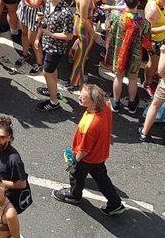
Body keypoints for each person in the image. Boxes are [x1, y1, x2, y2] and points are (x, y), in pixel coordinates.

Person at [54, 83, 125, 214]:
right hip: (99, 155)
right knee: (102, 179)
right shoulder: (105, 108)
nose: (79, 97)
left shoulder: (91, 125)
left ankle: (74, 195)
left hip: (88, 158)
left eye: (83, 97)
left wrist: (76, 159)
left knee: (76, 175)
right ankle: (115, 203)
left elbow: (85, 149)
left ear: (92, 103)